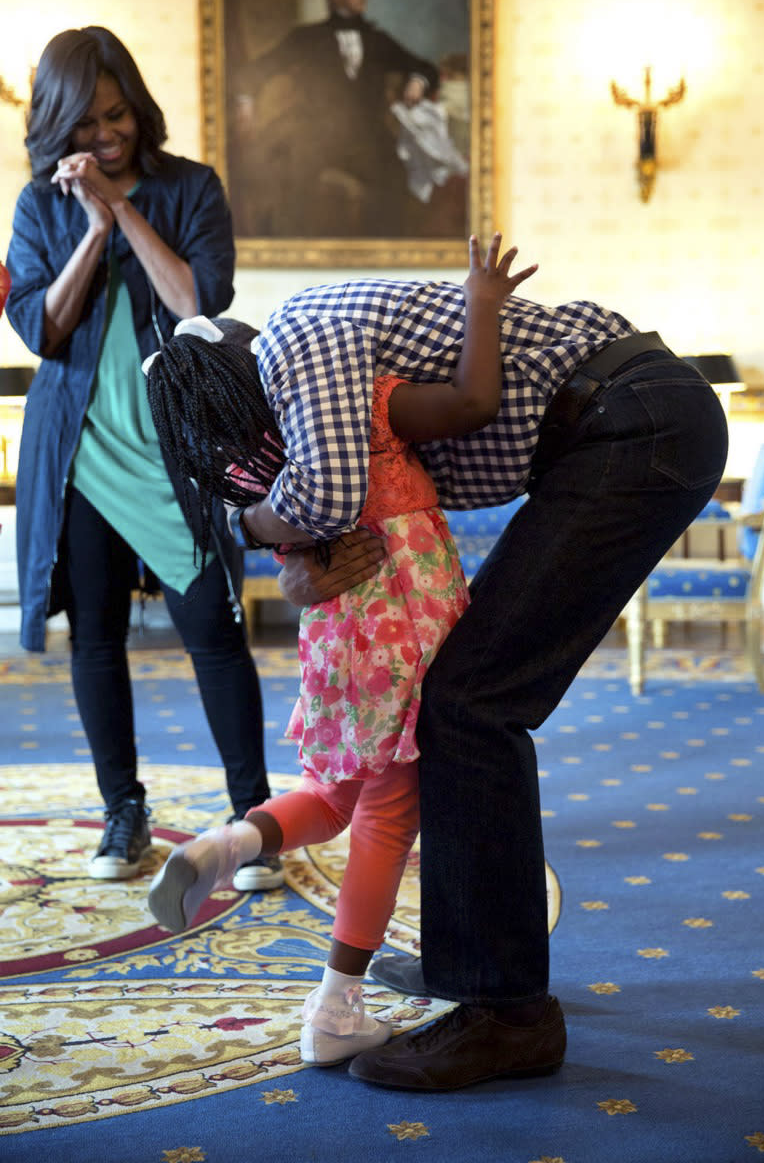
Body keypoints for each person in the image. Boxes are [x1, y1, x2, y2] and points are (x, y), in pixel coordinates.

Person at [219, 233, 728, 1090]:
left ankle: (510, 1012)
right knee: (455, 697)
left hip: (631, 420)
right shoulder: (331, 384)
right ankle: (471, 964)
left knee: (470, 701)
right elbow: (344, 511)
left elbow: (324, 495)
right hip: (619, 421)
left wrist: (252, 526)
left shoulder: (291, 346)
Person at [143, 234, 533, 1065]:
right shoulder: (357, 403)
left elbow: (289, 550)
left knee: (334, 797)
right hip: (409, 633)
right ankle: (336, 1008)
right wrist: (483, 307)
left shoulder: (271, 480)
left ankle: (225, 846)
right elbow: (470, 404)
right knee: (388, 816)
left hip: (341, 645)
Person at [4, 26, 283, 892]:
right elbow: (41, 330)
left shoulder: (190, 187)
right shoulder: (38, 206)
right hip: (79, 451)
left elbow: (198, 302)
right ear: (58, 122)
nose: (106, 135)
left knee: (213, 630)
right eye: (87, 123)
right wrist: (89, 230)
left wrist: (122, 208)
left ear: (138, 106)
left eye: (117, 115)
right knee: (97, 636)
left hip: (177, 451)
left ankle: (254, 820)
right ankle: (122, 812)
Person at [230, 0, 439, 237]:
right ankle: (292, 251)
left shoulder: (377, 39)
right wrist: (245, 101)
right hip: (314, 136)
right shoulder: (305, 38)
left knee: (394, 179)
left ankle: (385, 256)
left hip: (368, 138)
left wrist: (417, 80)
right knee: (293, 183)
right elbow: (254, 72)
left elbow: (425, 68)